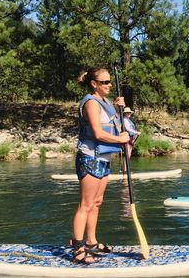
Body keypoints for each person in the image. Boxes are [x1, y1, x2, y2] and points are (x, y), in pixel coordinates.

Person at [71, 68, 129, 264]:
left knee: (97, 203)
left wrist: (119, 107)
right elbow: (98, 133)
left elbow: (112, 123)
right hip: (90, 158)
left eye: (110, 82)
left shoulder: (104, 103)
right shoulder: (91, 103)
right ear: (94, 84)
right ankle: (78, 249)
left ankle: (91, 242)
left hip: (103, 158)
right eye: (105, 82)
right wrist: (120, 139)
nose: (109, 85)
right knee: (85, 205)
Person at [121, 107, 141, 172]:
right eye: (127, 112)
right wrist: (136, 132)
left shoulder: (128, 120)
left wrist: (135, 133)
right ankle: (125, 170)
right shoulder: (125, 120)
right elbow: (128, 128)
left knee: (129, 154)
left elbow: (131, 129)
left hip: (130, 137)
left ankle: (126, 169)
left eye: (129, 112)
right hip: (127, 137)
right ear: (125, 113)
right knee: (127, 154)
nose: (129, 113)